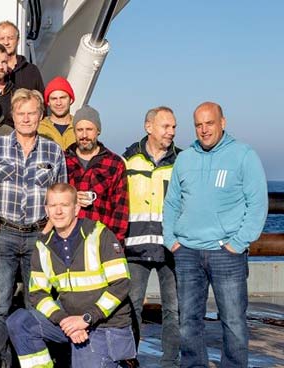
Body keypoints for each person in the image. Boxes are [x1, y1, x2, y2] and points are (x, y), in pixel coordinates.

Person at [163, 102, 267, 367]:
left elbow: (257, 204)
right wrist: (171, 240)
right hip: (187, 251)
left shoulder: (244, 155)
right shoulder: (185, 158)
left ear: (223, 122)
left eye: (209, 123)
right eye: (198, 124)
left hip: (226, 253)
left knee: (232, 320)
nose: (204, 129)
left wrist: (238, 243)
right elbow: (172, 203)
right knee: (188, 319)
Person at [6, 183, 135, 368]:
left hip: (104, 325)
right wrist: (64, 320)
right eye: (52, 206)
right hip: (70, 321)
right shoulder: (43, 245)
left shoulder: (99, 234)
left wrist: (86, 319)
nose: (58, 212)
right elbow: (38, 293)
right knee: (20, 321)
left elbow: (121, 285)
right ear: (46, 210)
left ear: (76, 208)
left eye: (64, 205)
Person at [0, 88, 67, 367]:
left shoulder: (53, 150)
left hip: (38, 235)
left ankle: (33, 362)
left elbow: (61, 196)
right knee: (1, 304)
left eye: (32, 113)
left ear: (40, 115)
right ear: (13, 115)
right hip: (3, 233)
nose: (26, 118)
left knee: (37, 304)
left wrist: (51, 228)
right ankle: (3, 362)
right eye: (21, 113)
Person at [122, 106, 181, 367]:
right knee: (131, 307)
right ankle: (129, 359)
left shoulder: (182, 161)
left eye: (173, 127)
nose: (171, 132)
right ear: (149, 127)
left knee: (174, 310)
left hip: (172, 248)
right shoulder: (128, 160)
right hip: (135, 248)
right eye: (165, 126)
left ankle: (170, 362)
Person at [65, 105, 129, 244]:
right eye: (80, 130)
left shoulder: (114, 163)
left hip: (100, 240)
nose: (84, 135)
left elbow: (120, 209)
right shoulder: (63, 160)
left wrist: (113, 243)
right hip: (67, 239)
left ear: (98, 131)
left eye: (89, 129)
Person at [38, 76, 76, 150]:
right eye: (54, 99)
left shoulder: (80, 127)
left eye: (63, 98)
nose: (58, 103)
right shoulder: (38, 128)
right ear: (48, 102)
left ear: (71, 100)